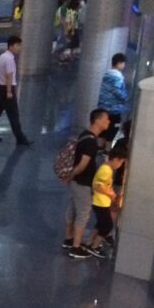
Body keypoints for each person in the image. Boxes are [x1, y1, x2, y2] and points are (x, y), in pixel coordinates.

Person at [63, 108, 110, 259]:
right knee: (83, 213)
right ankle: (76, 247)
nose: (108, 122)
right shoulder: (91, 142)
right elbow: (83, 164)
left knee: (72, 209)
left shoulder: (84, 135)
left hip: (77, 182)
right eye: (106, 119)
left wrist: (70, 176)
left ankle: (69, 239)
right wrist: (71, 175)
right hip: (83, 182)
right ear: (97, 120)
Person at [0, 36, 32, 146]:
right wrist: (9, 92)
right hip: (6, 89)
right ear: (11, 46)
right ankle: (20, 138)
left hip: (0, 88)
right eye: (17, 45)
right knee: (13, 115)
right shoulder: (10, 59)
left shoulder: (2, 56)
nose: (19, 48)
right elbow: (9, 76)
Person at [86, 145, 128, 258]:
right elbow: (97, 185)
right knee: (107, 225)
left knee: (100, 223)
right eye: (121, 162)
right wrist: (110, 194)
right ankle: (94, 246)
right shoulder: (106, 170)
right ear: (115, 159)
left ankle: (89, 243)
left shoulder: (105, 168)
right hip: (100, 202)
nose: (120, 165)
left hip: (100, 202)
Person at [97, 53, 129, 139]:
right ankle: (106, 150)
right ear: (119, 63)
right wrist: (125, 98)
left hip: (102, 107)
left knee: (102, 131)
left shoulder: (107, 74)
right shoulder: (118, 76)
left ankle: (99, 149)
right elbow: (117, 91)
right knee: (112, 132)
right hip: (113, 109)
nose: (124, 65)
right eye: (123, 63)